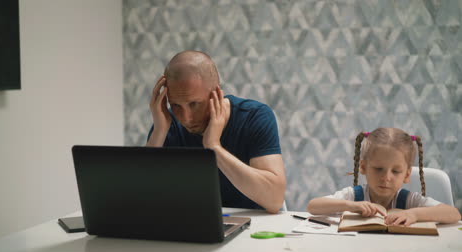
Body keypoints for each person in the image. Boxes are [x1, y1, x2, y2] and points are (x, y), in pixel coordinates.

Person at [146, 50, 286, 213]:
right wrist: (159, 132)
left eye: (194, 104)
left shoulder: (254, 116)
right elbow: (137, 201)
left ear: (216, 94)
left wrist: (214, 147)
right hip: (192, 225)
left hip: (254, 229)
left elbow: (274, 200)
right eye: (176, 105)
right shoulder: (166, 123)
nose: (186, 118)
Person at [307, 127, 461, 225]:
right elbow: (313, 206)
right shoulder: (354, 196)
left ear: (407, 175)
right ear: (363, 167)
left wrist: (414, 214)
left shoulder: (409, 200)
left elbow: (453, 213)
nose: (386, 177)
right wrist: (350, 206)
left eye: (395, 171)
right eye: (378, 169)